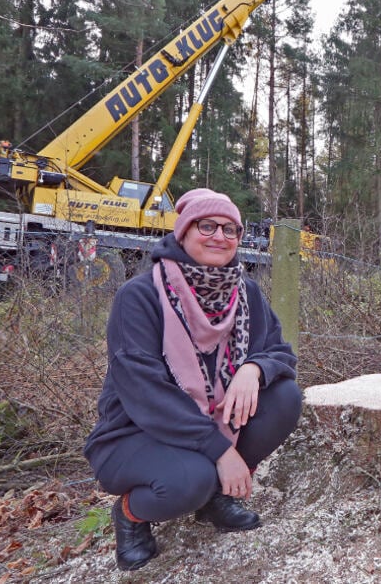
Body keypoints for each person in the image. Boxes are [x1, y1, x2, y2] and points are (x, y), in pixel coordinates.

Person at [84, 188, 302, 570]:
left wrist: (254, 369)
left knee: (284, 397)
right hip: (134, 433)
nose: (220, 236)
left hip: (208, 422)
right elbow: (144, 391)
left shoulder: (245, 292)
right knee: (190, 480)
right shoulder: (140, 296)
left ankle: (217, 499)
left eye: (230, 229)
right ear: (183, 232)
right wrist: (220, 450)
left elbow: (280, 352)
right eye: (207, 226)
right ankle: (132, 515)